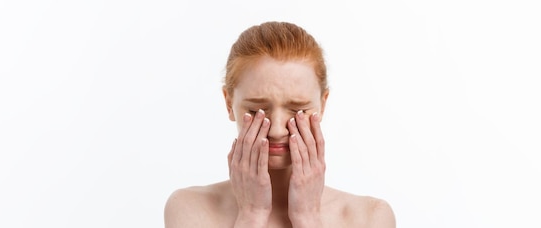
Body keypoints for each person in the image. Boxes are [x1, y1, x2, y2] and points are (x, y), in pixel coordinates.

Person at [164, 21, 396, 227]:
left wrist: (307, 217)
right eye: (256, 110)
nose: (275, 129)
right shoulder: (190, 210)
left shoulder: (370, 217)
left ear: (322, 105)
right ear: (228, 103)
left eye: (298, 110)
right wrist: (251, 215)